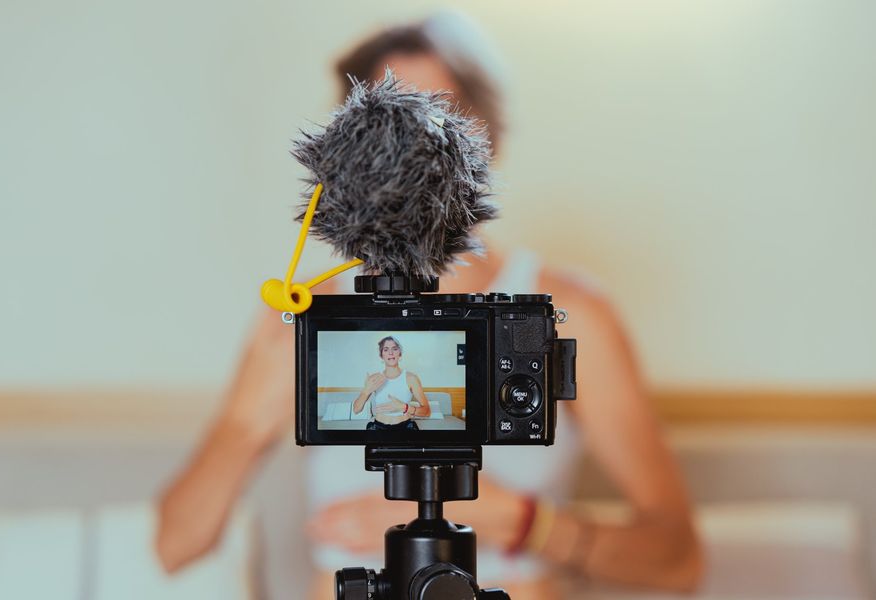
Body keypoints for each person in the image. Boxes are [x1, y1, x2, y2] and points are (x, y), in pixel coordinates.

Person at [156, 11, 703, 599]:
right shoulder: (306, 315)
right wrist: (243, 428)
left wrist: (517, 521)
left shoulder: (569, 313)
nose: (413, 148)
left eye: (437, 115)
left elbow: (677, 562)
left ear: (486, 135)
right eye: (391, 123)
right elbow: (174, 546)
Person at [356, 336, 430, 431]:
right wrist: (366, 391)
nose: (390, 353)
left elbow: (427, 411)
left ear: (400, 354)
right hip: (379, 428)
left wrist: (405, 407)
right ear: (381, 356)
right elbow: (356, 410)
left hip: (405, 428)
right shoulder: (374, 378)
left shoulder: (411, 378)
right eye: (386, 350)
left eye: (394, 349)